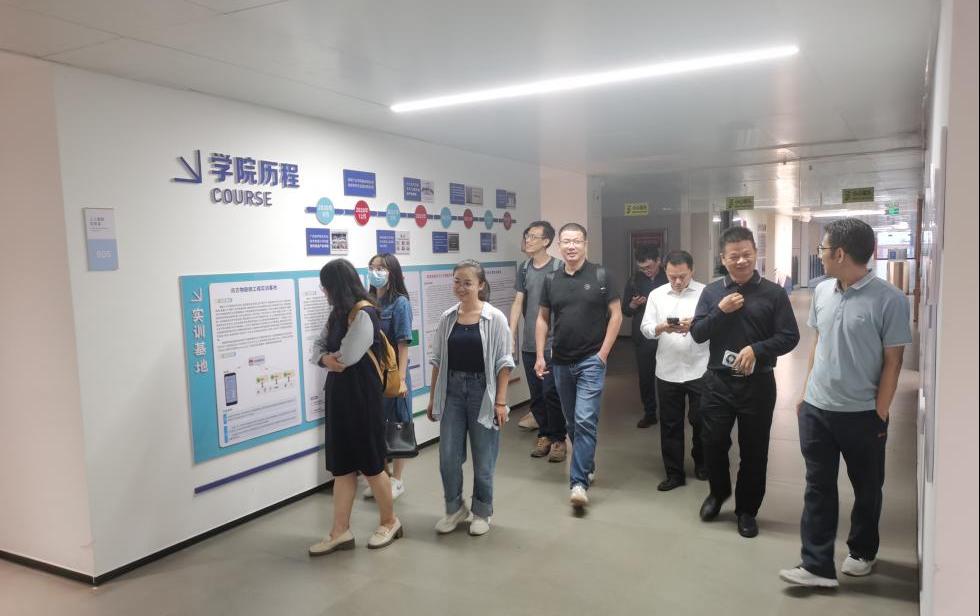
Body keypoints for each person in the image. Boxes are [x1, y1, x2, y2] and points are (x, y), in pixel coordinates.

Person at [780, 218, 912, 588]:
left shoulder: (890, 299)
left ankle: (862, 551)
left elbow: (893, 361)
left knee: (867, 488)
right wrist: (805, 392)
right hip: (817, 409)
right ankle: (816, 564)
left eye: (822, 249)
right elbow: (819, 343)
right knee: (817, 487)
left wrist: (879, 412)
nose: (819, 255)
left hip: (862, 415)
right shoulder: (822, 290)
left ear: (839, 253)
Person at [691, 226, 799, 538]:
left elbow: (790, 336)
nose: (741, 261)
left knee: (754, 450)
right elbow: (697, 333)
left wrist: (758, 349)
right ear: (723, 258)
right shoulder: (712, 293)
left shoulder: (774, 293)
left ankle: (747, 510)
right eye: (734, 256)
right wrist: (720, 311)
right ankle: (718, 493)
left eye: (746, 255)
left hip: (758, 384)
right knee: (713, 443)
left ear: (755, 254)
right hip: (718, 383)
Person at [308, 259, 401, 556]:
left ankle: (390, 522)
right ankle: (340, 532)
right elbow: (317, 347)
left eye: (326, 286)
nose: (323, 291)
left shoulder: (364, 313)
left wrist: (328, 358)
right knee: (343, 467)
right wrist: (324, 358)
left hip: (362, 398)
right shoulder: (337, 313)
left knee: (372, 465)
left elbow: (347, 356)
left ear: (336, 286)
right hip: (339, 397)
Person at [536, 223, 622, 509]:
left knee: (585, 419)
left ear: (585, 244)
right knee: (573, 421)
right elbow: (542, 318)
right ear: (559, 245)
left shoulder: (601, 275)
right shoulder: (551, 279)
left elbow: (616, 315)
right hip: (560, 361)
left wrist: (603, 354)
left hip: (591, 361)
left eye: (576, 241)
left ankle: (578, 483)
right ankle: (587, 464)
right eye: (566, 242)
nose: (571, 246)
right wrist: (540, 355)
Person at [427, 260, 515, 536]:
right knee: (448, 456)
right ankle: (454, 508)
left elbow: (504, 363)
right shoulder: (447, 318)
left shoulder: (495, 318)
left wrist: (501, 402)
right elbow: (437, 361)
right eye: (457, 281)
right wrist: (433, 398)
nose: (461, 287)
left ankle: (481, 511)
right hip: (452, 391)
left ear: (480, 285)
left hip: (483, 392)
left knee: (484, 457)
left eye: (467, 282)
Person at [640, 250, 710, 491]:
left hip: (700, 367)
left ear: (692, 271)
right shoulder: (656, 295)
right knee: (670, 424)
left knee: (702, 420)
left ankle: (702, 462)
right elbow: (646, 328)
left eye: (682, 276)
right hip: (667, 369)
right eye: (672, 276)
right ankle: (674, 473)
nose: (678, 281)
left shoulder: (706, 293)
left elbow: (715, 326)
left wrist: (696, 325)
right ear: (666, 272)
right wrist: (661, 327)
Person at [509, 221, 567, 461]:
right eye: (527, 235)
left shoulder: (559, 267)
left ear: (546, 241)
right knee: (536, 395)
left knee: (551, 392)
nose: (528, 240)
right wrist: (511, 333)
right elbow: (518, 302)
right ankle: (544, 435)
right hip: (530, 344)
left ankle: (558, 439)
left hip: (553, 344)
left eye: (533, 236)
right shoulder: (524, 269)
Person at [363, 253, 413, 501]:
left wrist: (401, 379)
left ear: (392, 272)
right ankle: (382, 477)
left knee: (397, 424)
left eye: (381, 268)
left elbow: (403, 344)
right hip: (373, 374)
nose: (375, 272)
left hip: (393, 374)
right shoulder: (368, 301)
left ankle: (397, 479)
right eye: (372, 267)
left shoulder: (400, 303)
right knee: (377, 425)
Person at [622, 245, 668, 428]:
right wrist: (633, 305)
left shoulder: (669, 277)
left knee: (667, 376)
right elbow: (626, 311)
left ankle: (669, 412)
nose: (646, 271)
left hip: (667, 334)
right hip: (643, 336)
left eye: (649, 267)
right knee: (645, 377)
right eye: (642, 268)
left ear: (658, 261)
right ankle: (650, 413)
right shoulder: (634, 280)